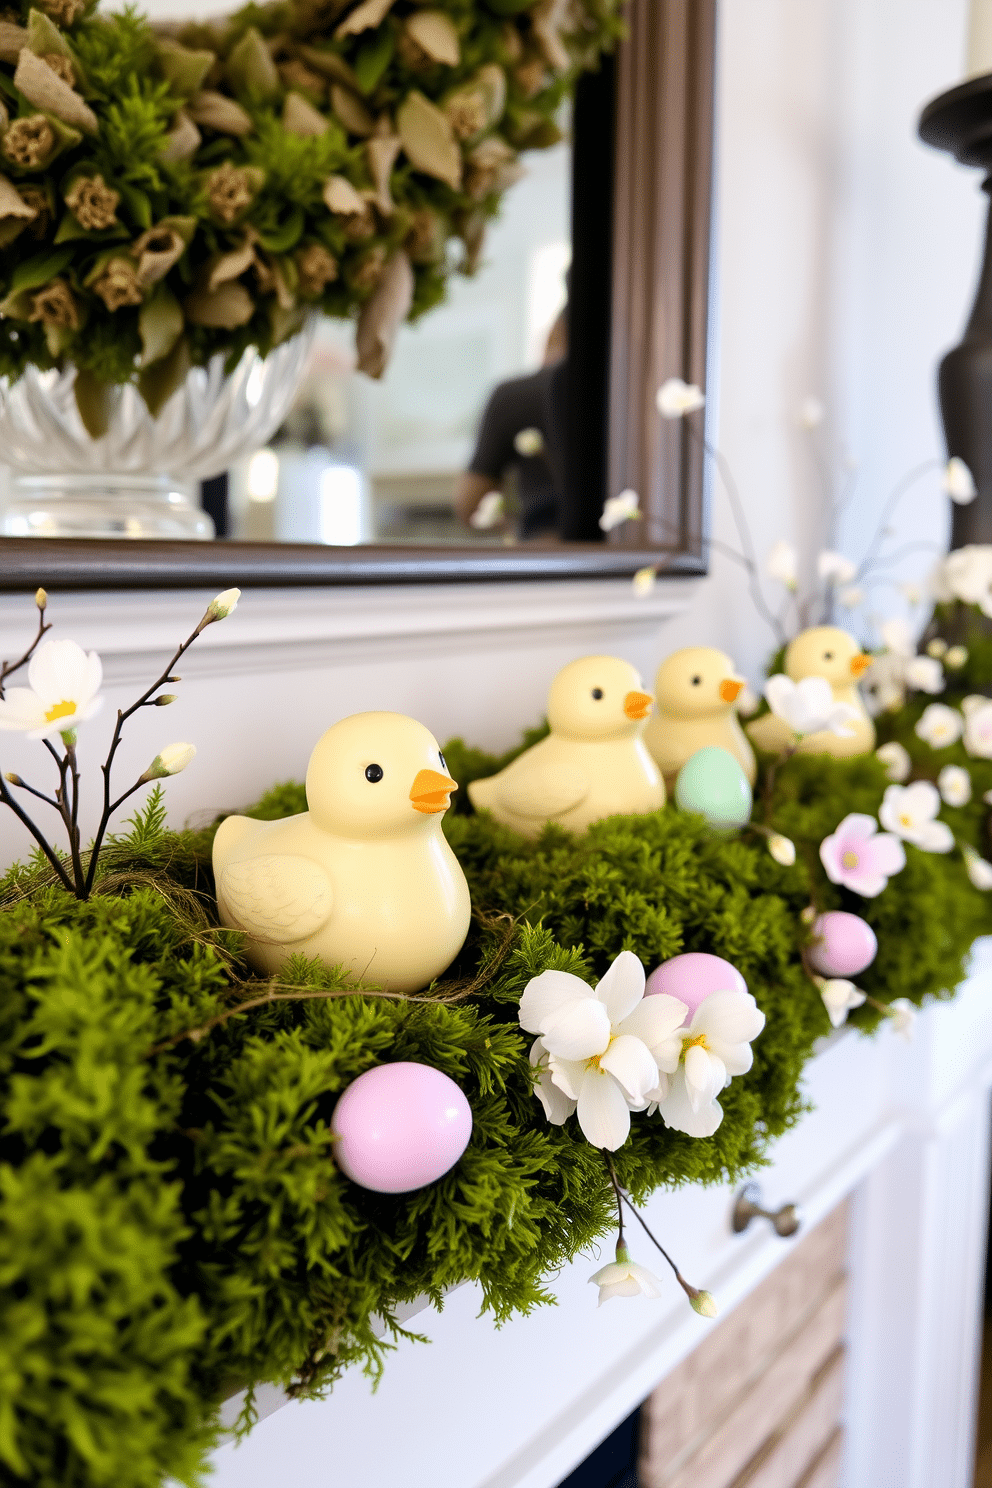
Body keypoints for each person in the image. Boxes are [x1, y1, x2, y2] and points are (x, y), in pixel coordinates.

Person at [455, 308, 568, 539]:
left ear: (553, 336)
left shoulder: (515, 396)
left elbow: (469, 505)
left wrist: (509, 521)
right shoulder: (625, 394)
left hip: (546, 545)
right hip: (629, 545)